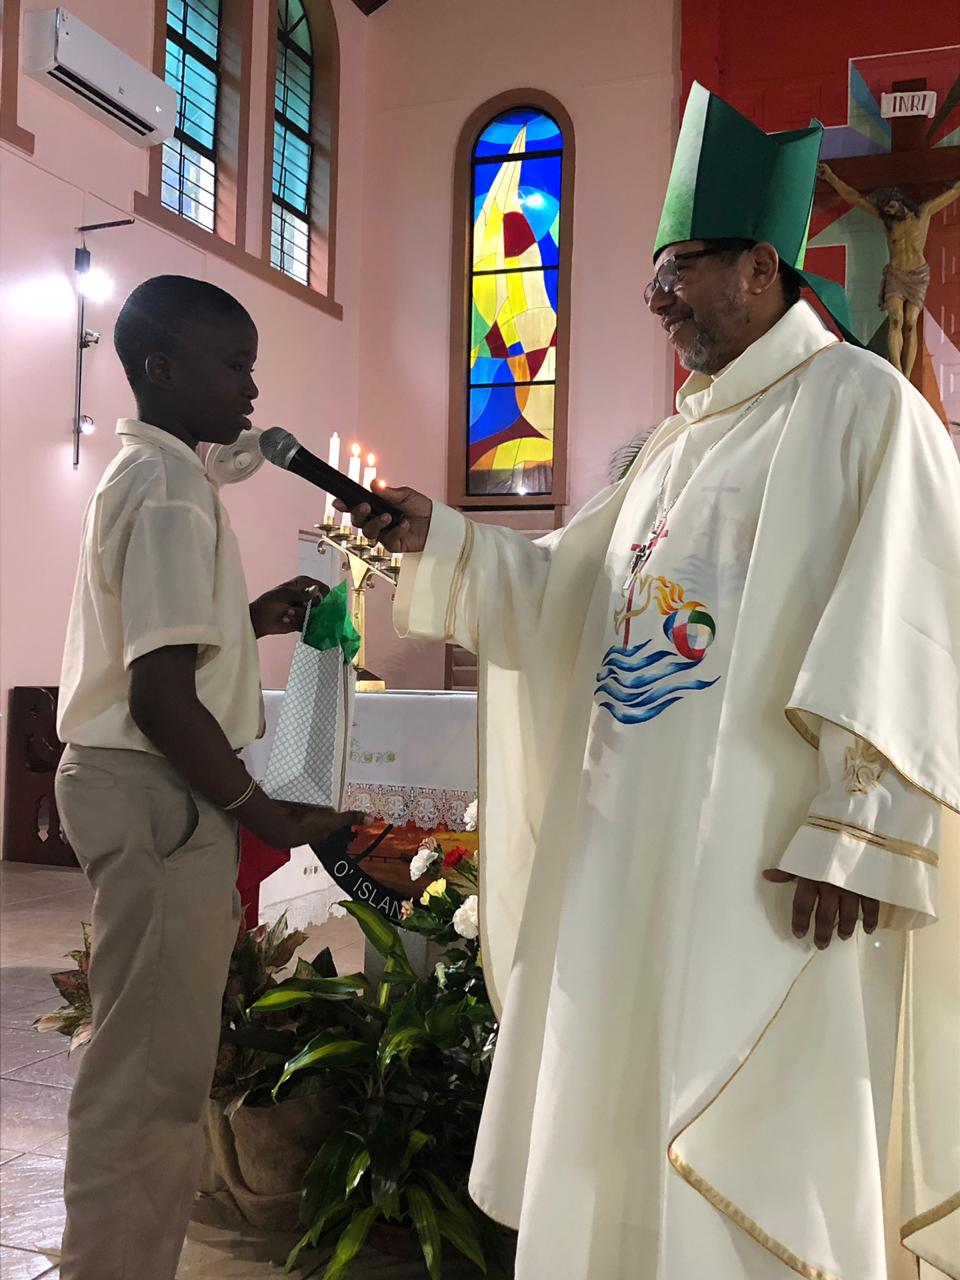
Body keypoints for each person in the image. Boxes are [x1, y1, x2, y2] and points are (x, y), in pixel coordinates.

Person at [339, 85, 960, 1278]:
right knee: (621, 1119)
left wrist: (860, 826)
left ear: (762, 268)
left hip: (766, 864)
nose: (656, 295)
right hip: (628, 857)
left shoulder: (860, 404)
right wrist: (444, 539)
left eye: (681, 267)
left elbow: (912, 613)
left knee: (753, 1127)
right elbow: (568, 594)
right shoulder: (675, 444)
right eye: (655, 272)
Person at [54, 275, 363, 1280]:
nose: (251, 389)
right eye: (234, 366)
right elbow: (160, 698)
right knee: (148, 1078)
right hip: (157, 789)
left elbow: (158, 649)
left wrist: (248, 616)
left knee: (153, 1062)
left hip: (136, 786)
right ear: (162, 368)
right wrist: (260, 809)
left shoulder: (148, 474)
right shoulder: (171, 490)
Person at [818, 162, 960, 379]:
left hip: (918, 275)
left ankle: (907, 376)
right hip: (896, 274)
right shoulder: (888, 223)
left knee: (910, 324)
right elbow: (854, 198)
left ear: (899, 200)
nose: (889, 212)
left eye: (891, 207)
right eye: (886, 211)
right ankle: (897, 371)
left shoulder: (923, 213)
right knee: (895, 320)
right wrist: (831, 178)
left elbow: (954, 192)